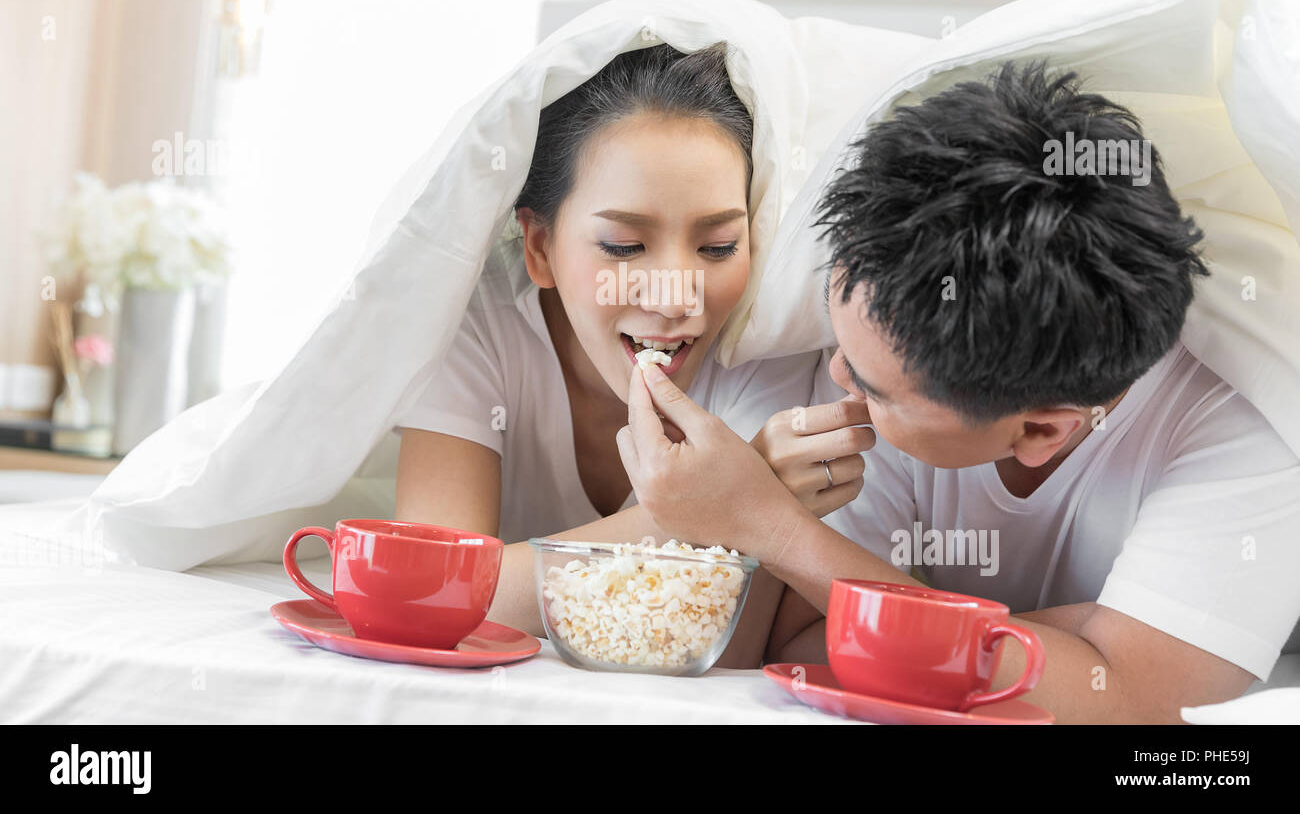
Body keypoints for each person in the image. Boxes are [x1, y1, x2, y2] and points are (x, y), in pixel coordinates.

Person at [616, 61, 1300, 722]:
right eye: (842, 349)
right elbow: (806, 646)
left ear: (1041, 430)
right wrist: (1075, 643)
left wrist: (771, 528)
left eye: (875, 389)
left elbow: (1134, 707)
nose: (837, 380)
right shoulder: (896, 345)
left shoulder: (1250, 424)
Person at [392, 42, 866, 664]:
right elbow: (424, 591)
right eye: (622, 246)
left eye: (719, 247)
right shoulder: (477, 328)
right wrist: (729, 502)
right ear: (538, 247)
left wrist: (737, 506)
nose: (675, 297)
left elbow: (728, 650)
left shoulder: (763, 352)